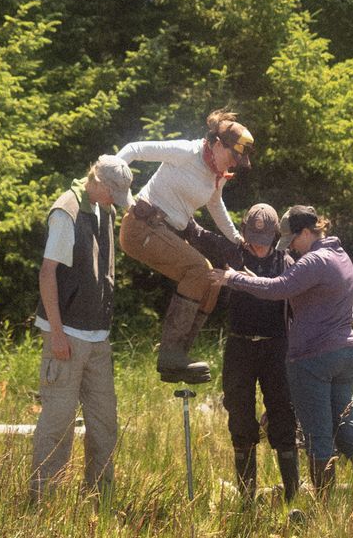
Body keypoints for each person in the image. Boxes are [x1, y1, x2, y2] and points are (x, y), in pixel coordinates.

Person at [222, 205, 353, 493]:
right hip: (345, 354)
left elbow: (277, 289)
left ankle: (325, 511)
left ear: (307, 231)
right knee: (347, 430)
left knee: (318, 436)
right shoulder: (341, 257)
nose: (290, 246)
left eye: (292, 239)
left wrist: (235, 279)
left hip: (315, 359)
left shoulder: (313, 262)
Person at [109, 110, 255, 384]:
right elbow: (135, 149)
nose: (233, 164)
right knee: (199, 270)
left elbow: (215, 204)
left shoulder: (217, 174)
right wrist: (115, 183)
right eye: (232, 155)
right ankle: (170, 353)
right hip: (141, 226)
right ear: (218, 143)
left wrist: (237, 239)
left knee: (211, 281)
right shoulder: (187, 152)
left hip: (164, 232)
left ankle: (179, 358)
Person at [29, 155, 134, 503]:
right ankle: (43, 501)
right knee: (57, 425)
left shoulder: (107, 210)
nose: (115, 201)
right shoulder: (67, 211)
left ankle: (99, 499)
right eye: (113, 194)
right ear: (99, 183)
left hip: (98, 337)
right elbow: (47, 273)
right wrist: (56, 334)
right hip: (66, 334)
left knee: (105, 424)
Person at [193, 202, 300, 502]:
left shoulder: (287, 262)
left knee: (283, 417)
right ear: (243, 233)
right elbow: (198, 234)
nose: (259, 246)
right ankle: (246, 498)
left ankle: (292, 497)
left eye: (264, 241)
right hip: (239, 346)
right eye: (253, 239)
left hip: (277, 348)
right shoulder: (232, 254)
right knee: (239, 418)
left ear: (277, 235)